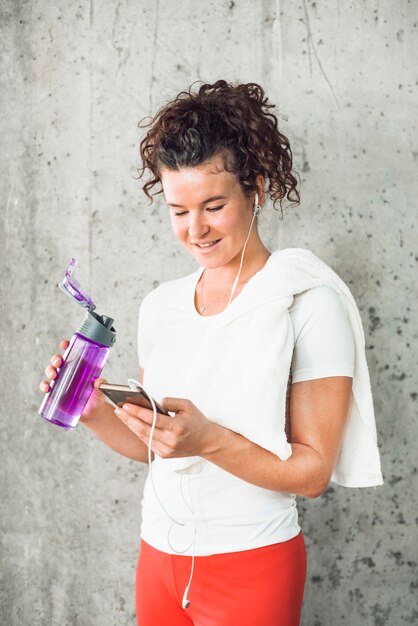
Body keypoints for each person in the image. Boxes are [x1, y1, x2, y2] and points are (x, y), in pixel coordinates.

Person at [40, 80, 382, 626]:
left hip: (253, 562)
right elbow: (158, 447)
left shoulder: (309, 303)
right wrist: (95, 414)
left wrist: (210, 440)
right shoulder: (161, 306)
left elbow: (314, 473)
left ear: (259, 189)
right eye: (178, 210)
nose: (195, 229)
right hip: (158, 558)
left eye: (214, 206)